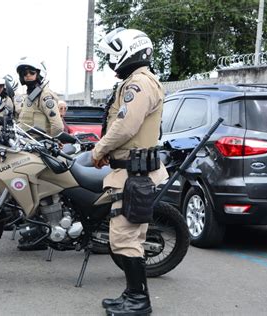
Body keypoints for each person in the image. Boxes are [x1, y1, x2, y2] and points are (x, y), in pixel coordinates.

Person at [92, 27, 168, 316]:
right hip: (131, 172)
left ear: (128, 50)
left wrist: (98, 150)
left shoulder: (139, 84)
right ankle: (132, 294)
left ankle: (138, 301)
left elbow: (125, 126)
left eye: (113, 56)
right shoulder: (140, 82)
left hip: (134, 175)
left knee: (125, 238)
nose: (112, 63)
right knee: (130, 238)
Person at [16, 57, 64, 137]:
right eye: (24, 73)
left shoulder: (45, 95)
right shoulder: (30, 96)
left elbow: (58, 127)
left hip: (38, 145)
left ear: (39, 74)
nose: (28, 75)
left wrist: (48, 143)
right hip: (25, 144)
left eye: (31, 72)